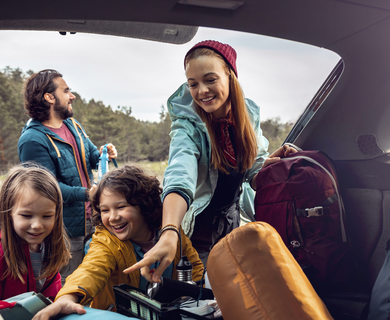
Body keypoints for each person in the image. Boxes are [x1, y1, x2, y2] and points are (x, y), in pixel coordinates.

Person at [126, 40, 296, 283]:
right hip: (199, 228)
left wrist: (273, 163)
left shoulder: (248, 118)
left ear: (230, 75)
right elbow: (179, 175)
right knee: (201, 293)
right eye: (193, 84)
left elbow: (253, 174)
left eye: (210, 79)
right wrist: (170, 231)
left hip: (232, 220)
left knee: (234, 288)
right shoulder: (188, 126)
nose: (201, 91)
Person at [32, 165, 204, 319]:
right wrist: (66, 298)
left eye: (121, 207)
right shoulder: (106, 241)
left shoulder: (169, 232)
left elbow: (193, 267)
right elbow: (90, 270)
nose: (113, 217)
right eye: (104, 210)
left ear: (144, 205)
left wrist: (199, 300)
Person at [18, 69, 118, 281]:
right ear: (50, 97)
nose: (72, 96)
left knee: (94, 279)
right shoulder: (32, 140)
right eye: (66, 91)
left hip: (93, 221)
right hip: (65, 230)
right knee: (67, 284)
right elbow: (44, 190)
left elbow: (90, 155)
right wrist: (87, 193)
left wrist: (104, 153)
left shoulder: (72, 125)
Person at [0, 164, 70, 301]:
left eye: (47, 216)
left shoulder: (46, 247)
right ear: (8, 212)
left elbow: (52, 293)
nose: (37, 225)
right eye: (26, 215)